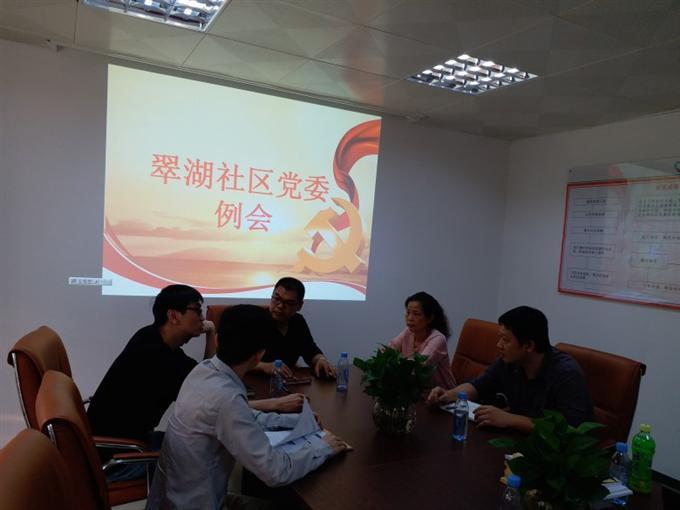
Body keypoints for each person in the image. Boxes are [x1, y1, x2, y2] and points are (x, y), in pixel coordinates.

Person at [146, 304, 349, 510]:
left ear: (217, 340)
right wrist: (323, 448)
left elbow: (244, 415)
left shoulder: (203, 370)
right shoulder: (227, 398)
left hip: (173, 498)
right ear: (260, 355)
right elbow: (275, 472)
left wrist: (295, 421)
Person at [427, 306, 593, 432]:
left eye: (506, 340)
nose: (498, 345)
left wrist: (510, 419)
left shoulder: (566, 373)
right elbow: (477, 386)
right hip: (520, 441)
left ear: (529, 346)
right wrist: (448, 395)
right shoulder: (509, 362)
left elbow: (572, 428)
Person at [87, 284, 216, 443]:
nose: (202, 318)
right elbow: (207, 392)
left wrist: (211, 332)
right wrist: (212, 333)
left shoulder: (149, 336)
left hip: (113, 437)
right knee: (205, 445)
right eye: (197, 310)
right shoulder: (158, 357)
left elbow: (205, 377)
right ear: (173, 316)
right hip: (122, 446)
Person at [254, 277, 335, 378]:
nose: (280, 306)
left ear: (299, 306)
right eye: (277, 299)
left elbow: (310, 350)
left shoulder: (298, 322)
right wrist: (264, 366)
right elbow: (237, 361)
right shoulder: (255, 320)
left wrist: (320, 360)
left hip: (287, 381)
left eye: (288, 303)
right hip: (254, 381)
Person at [387, 291, 456, 389]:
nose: (410, 318)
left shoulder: (438, 339)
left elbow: (419, 365)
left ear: (430, 318)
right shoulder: (408, 332)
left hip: (442, 394)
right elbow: (389, 351)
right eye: (408, 313)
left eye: (416, 314)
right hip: (416, 392)